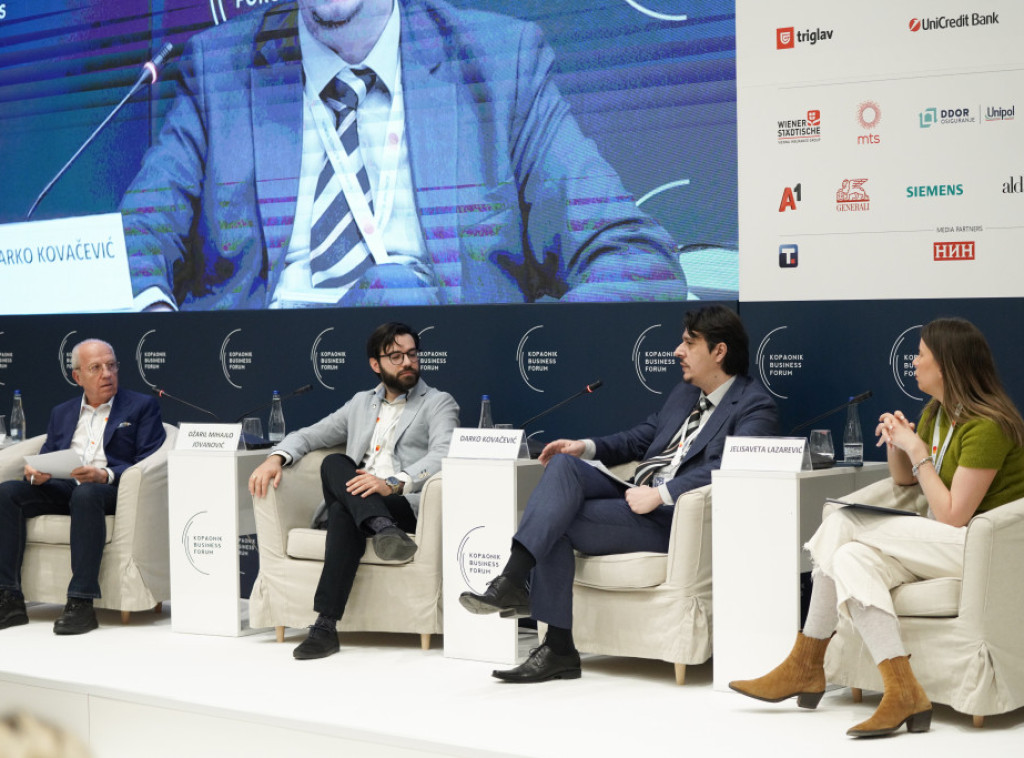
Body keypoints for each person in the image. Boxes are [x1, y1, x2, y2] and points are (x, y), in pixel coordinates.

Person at [119, 0, 685, 311]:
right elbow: (135, 237)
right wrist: (161, 336)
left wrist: (516, 345)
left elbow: (636, 259)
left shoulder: (498, 65)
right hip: (261, 388)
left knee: (397, 292)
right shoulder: (218, 68)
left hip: (434, 390)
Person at [729, 317, 1024, 738]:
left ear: (947, 365)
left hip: (980, 550)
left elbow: (953, 515)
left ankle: (806, 661)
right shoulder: (937, 414)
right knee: (849, 556)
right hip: (939, 543)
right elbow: (906, 482)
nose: (913, 362)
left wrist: (917, 448)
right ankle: (902, 690)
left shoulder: (987, 427)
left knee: (842, 520)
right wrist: (899, 444)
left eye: (921, 354)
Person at [459, 305, 778, 682]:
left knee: (557, 522)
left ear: (719, 351)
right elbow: (640, 438)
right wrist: (585, 447)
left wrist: (663, 494)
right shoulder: (684, 394)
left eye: (689, 343)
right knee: (563, 465)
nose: (677, 351)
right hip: (633, 494)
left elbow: (734, 467)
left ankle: (554, 644)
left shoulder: (754, 404)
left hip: (672, 518)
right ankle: (514, 583)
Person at [248, 321, 458, 659]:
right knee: (334, 463)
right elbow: (310, 435)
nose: (407, 362)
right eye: (396, 356)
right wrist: (275, 458)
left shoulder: (438, 402)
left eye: (412, 354)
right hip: (367, 502)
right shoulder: (361, 403)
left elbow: (442, 454)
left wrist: (391, 484)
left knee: (344, 510)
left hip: (402, 504)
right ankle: (380, 527)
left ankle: (324, 627)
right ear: (376, 364)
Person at [0, 339, 166, 635]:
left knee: (86, 494)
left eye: (111, 366)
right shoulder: (62, 412)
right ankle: (9, 598)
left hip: (111, 490)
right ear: (77, 377)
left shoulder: (141, 406)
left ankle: (81, 602)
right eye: (96, 368)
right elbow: (48, 454)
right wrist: (36, 473)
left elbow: (148, 461)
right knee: (7, 493)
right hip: (65, 486)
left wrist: (105, 474)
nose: (107, 374)